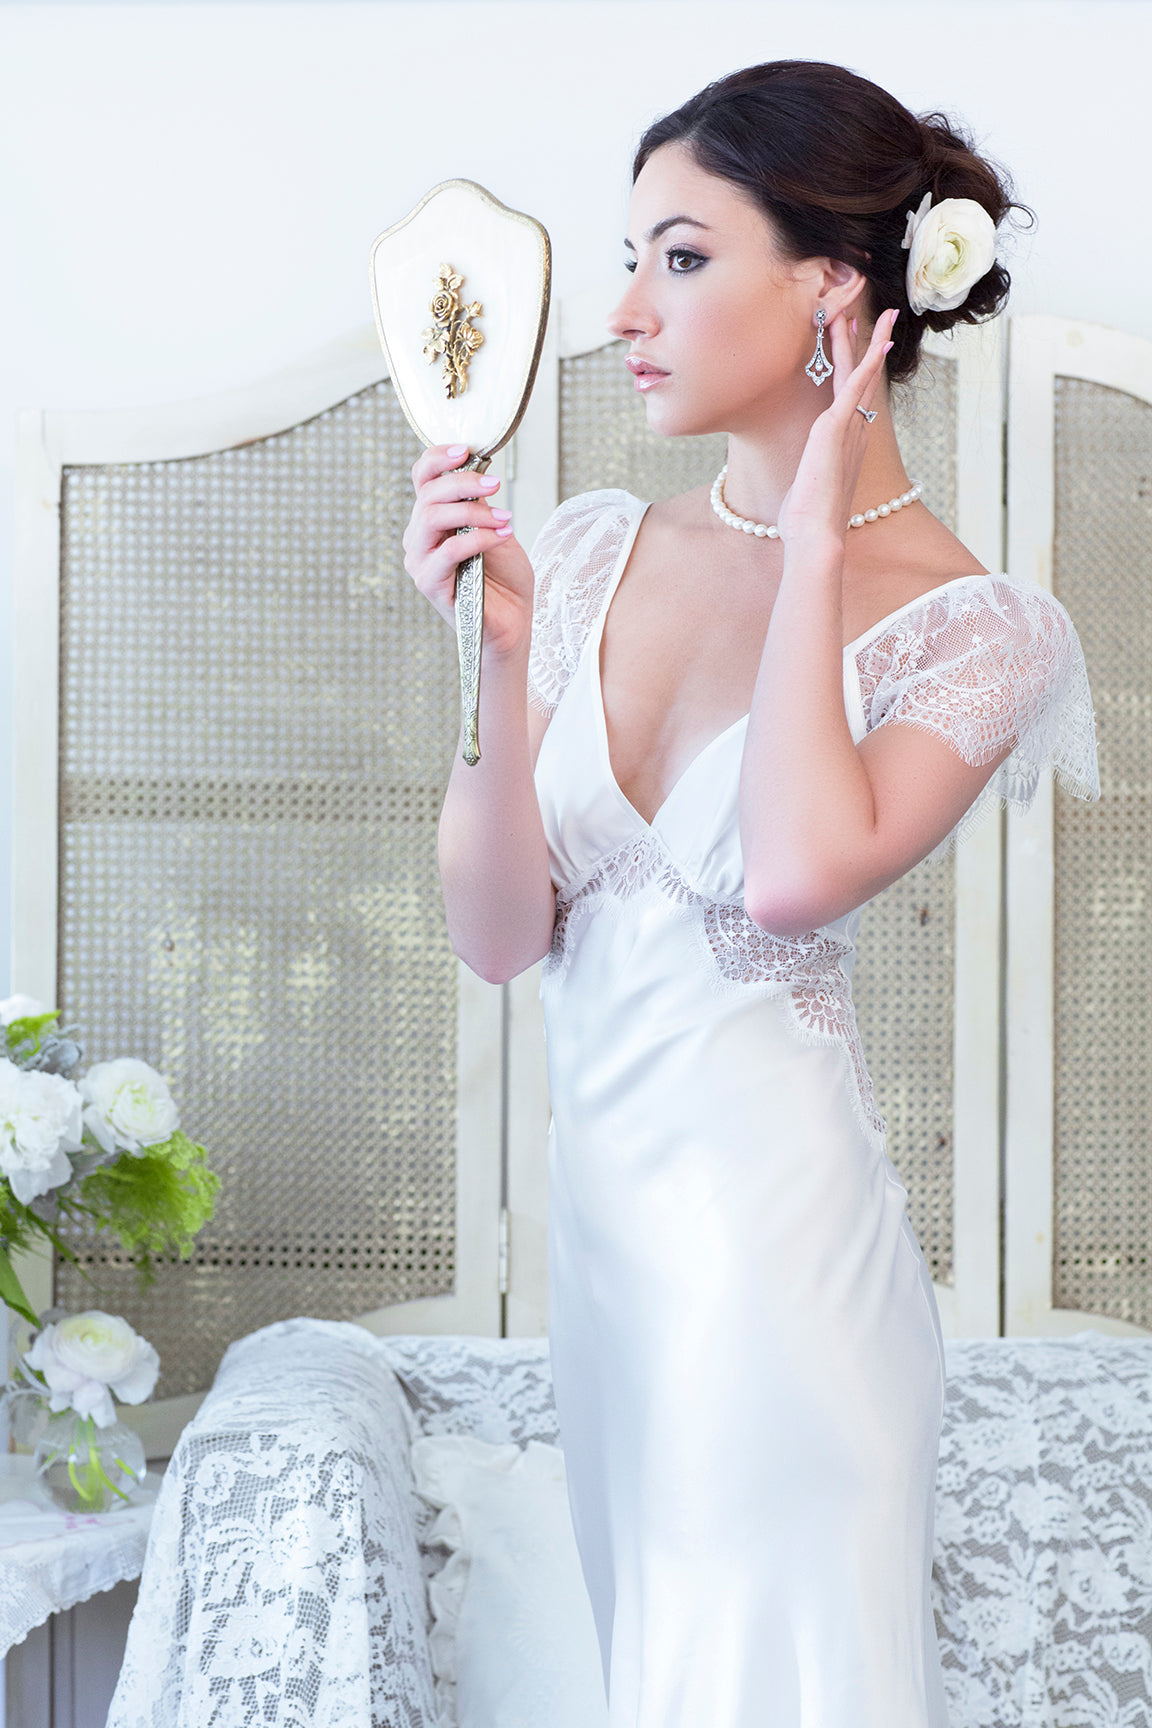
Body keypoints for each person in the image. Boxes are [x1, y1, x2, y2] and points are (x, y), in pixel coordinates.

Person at [403, 58, 1100, 1728]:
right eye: (630, 258)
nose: (626, 314)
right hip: (615, 1290)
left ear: (832, 291)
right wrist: (496, 656)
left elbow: (788, 876)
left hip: (780, 1294)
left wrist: (816, 541)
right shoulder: (586, 554)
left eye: (683, 257)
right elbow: (499, 940)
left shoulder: (978, 626)